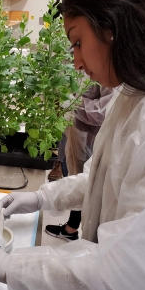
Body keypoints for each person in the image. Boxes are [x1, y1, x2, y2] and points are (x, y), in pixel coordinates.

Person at [0, 0, 145, 290]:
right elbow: (99, 176)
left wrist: (13, 267)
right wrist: (41, 198)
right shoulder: (130, 94)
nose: (75, 61)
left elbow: (125, 276)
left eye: (77, 41)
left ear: (113, 28)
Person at [47, 85, 115, 241]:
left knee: (90, 183)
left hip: (90, 137)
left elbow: (103, 112)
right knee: (77, 175)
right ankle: (71, 228)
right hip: (76, 130)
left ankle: (80, 232)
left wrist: (73, 101)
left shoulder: (109, 68)